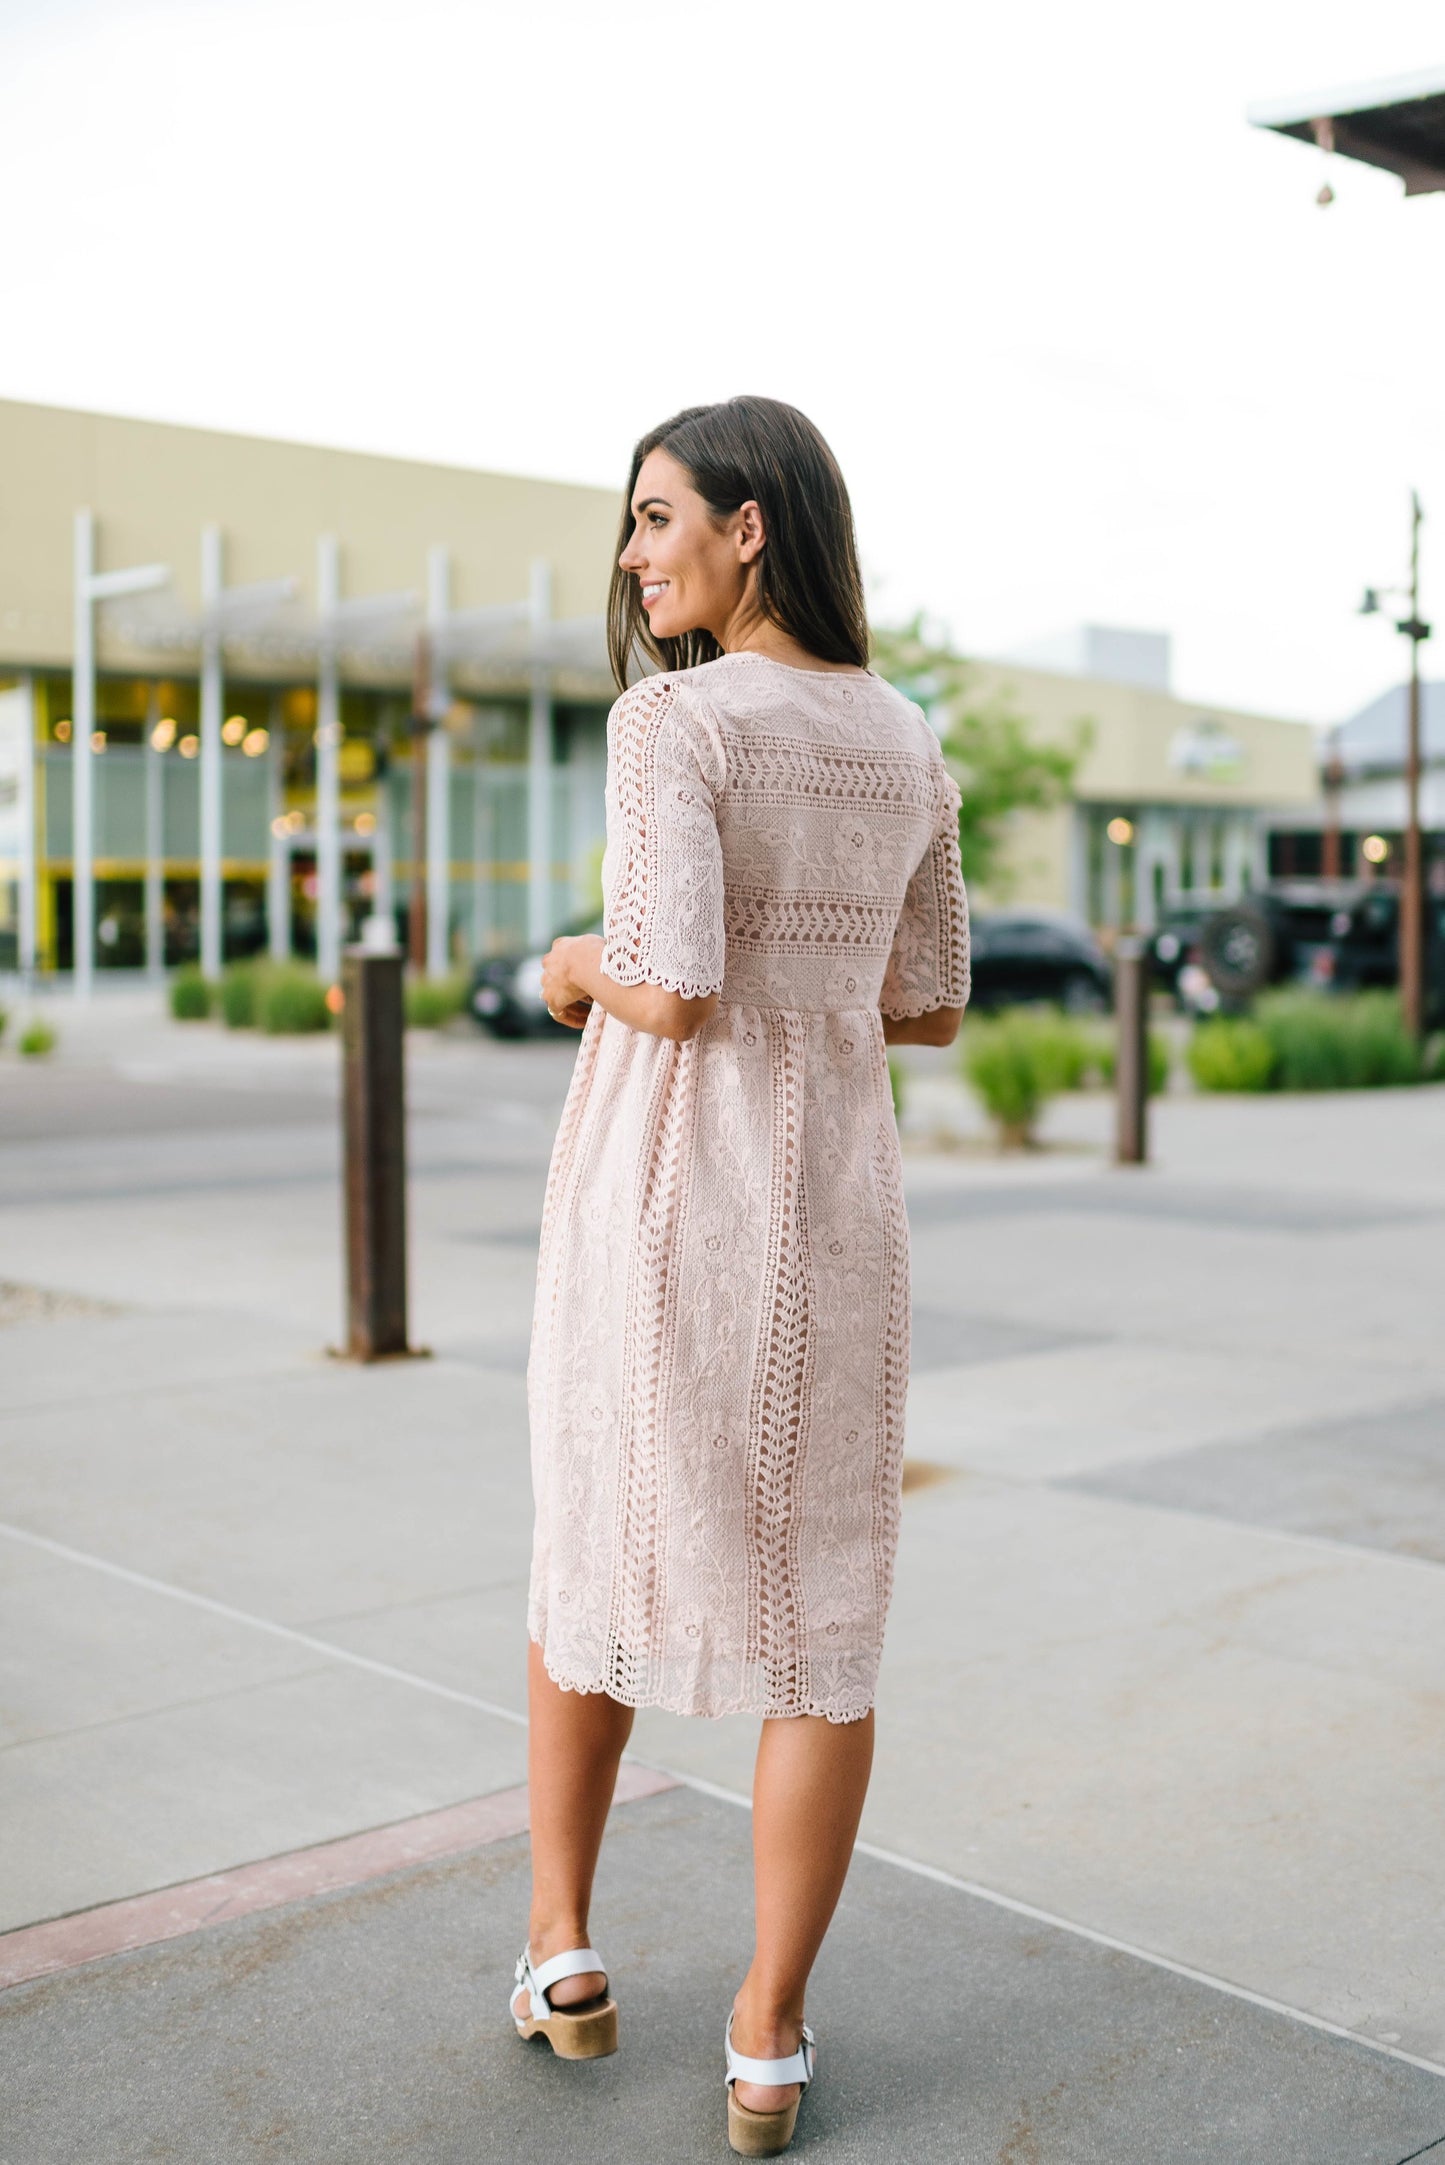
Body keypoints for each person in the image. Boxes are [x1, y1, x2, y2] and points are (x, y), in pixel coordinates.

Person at [513, 395, 969, 2157]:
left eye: (652, 517)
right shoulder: (905, 734)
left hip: (663, 1197)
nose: (637, 557)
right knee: (822, 1619)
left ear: (748, 523)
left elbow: (672, 978)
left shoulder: (673, 720)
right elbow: (924, 998)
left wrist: (570, 961)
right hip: (839, 1212)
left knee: (593, 1542)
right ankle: (768, 2038)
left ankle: (560, 1944)